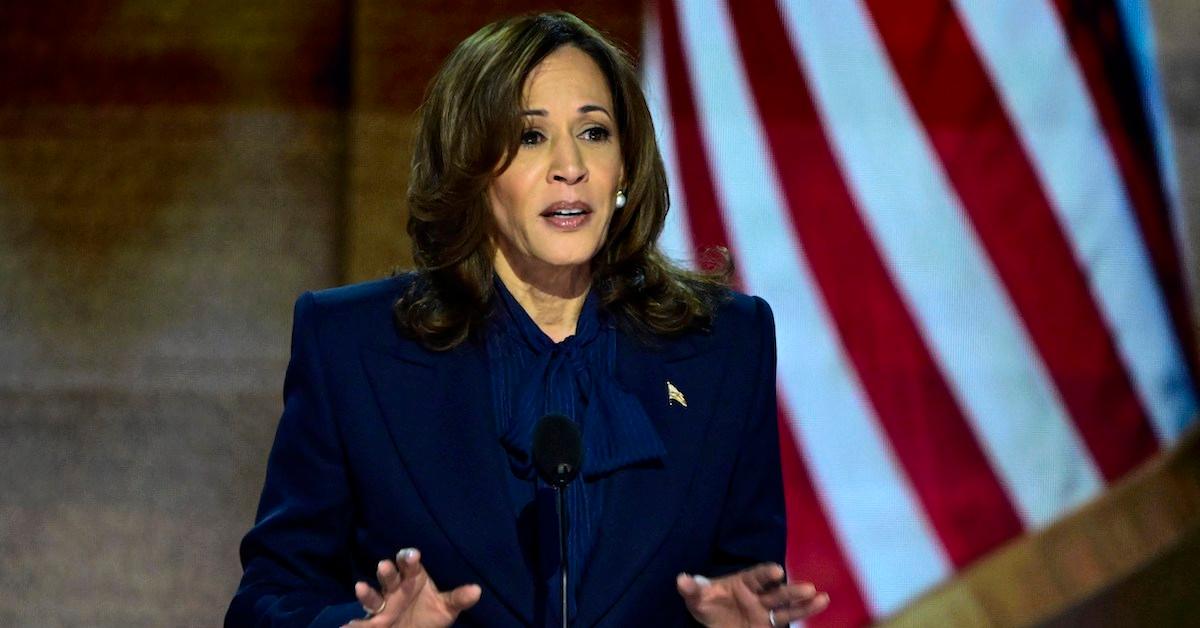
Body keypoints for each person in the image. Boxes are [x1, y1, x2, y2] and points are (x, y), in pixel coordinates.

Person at [226, 11, 828, 628]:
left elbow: (741, 586)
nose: (571, 166)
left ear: (625, 168)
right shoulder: (352, 347)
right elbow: (266, 603)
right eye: (531, 137)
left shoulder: (724, 345)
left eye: (594, 133)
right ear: (472, 167)